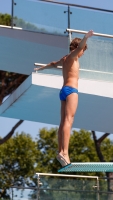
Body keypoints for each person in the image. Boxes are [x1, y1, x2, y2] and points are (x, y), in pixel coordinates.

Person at [34, 30, 94, 167]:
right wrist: (86, 37)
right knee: (69, 121)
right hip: (71, 91)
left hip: (63, 91)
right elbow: (79, 48)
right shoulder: (73, 56)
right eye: (83, 51)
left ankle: (61, 150)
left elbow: (53, 64)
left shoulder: (65, 58)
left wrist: (41, 68)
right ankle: (65, 152)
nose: (82, 53)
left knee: (62, 122)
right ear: (79, 49)